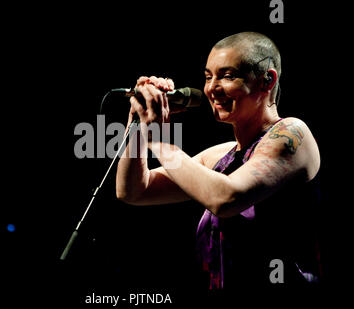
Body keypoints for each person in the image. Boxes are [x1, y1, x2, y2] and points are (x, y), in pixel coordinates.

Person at [116, 32, 322, 290]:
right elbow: (134, 190)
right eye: (207, 77)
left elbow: (225, 199)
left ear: (267, 80)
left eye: (227, 75)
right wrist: (139, 121)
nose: (212, 88)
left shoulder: (293, 133)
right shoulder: (220, 156)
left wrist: (159, 141)